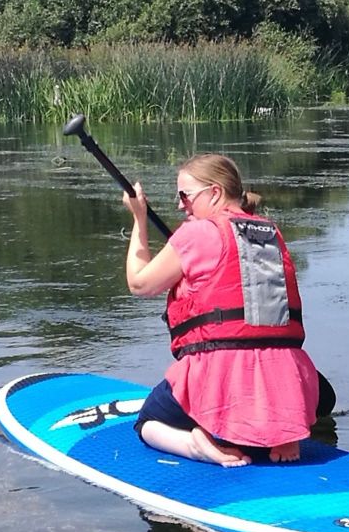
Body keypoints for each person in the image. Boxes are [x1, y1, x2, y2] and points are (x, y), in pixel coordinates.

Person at [122, 153, 325, 467]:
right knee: (317, 395)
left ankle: (196, 445)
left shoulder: (197, 233)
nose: (180, 205)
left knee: (148, 423)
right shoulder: (268, 232)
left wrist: (139, 219)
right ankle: (284, 434)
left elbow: (139, 284)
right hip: (287, 380)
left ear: (214, 193)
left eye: (184, 196)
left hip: (221, 380)